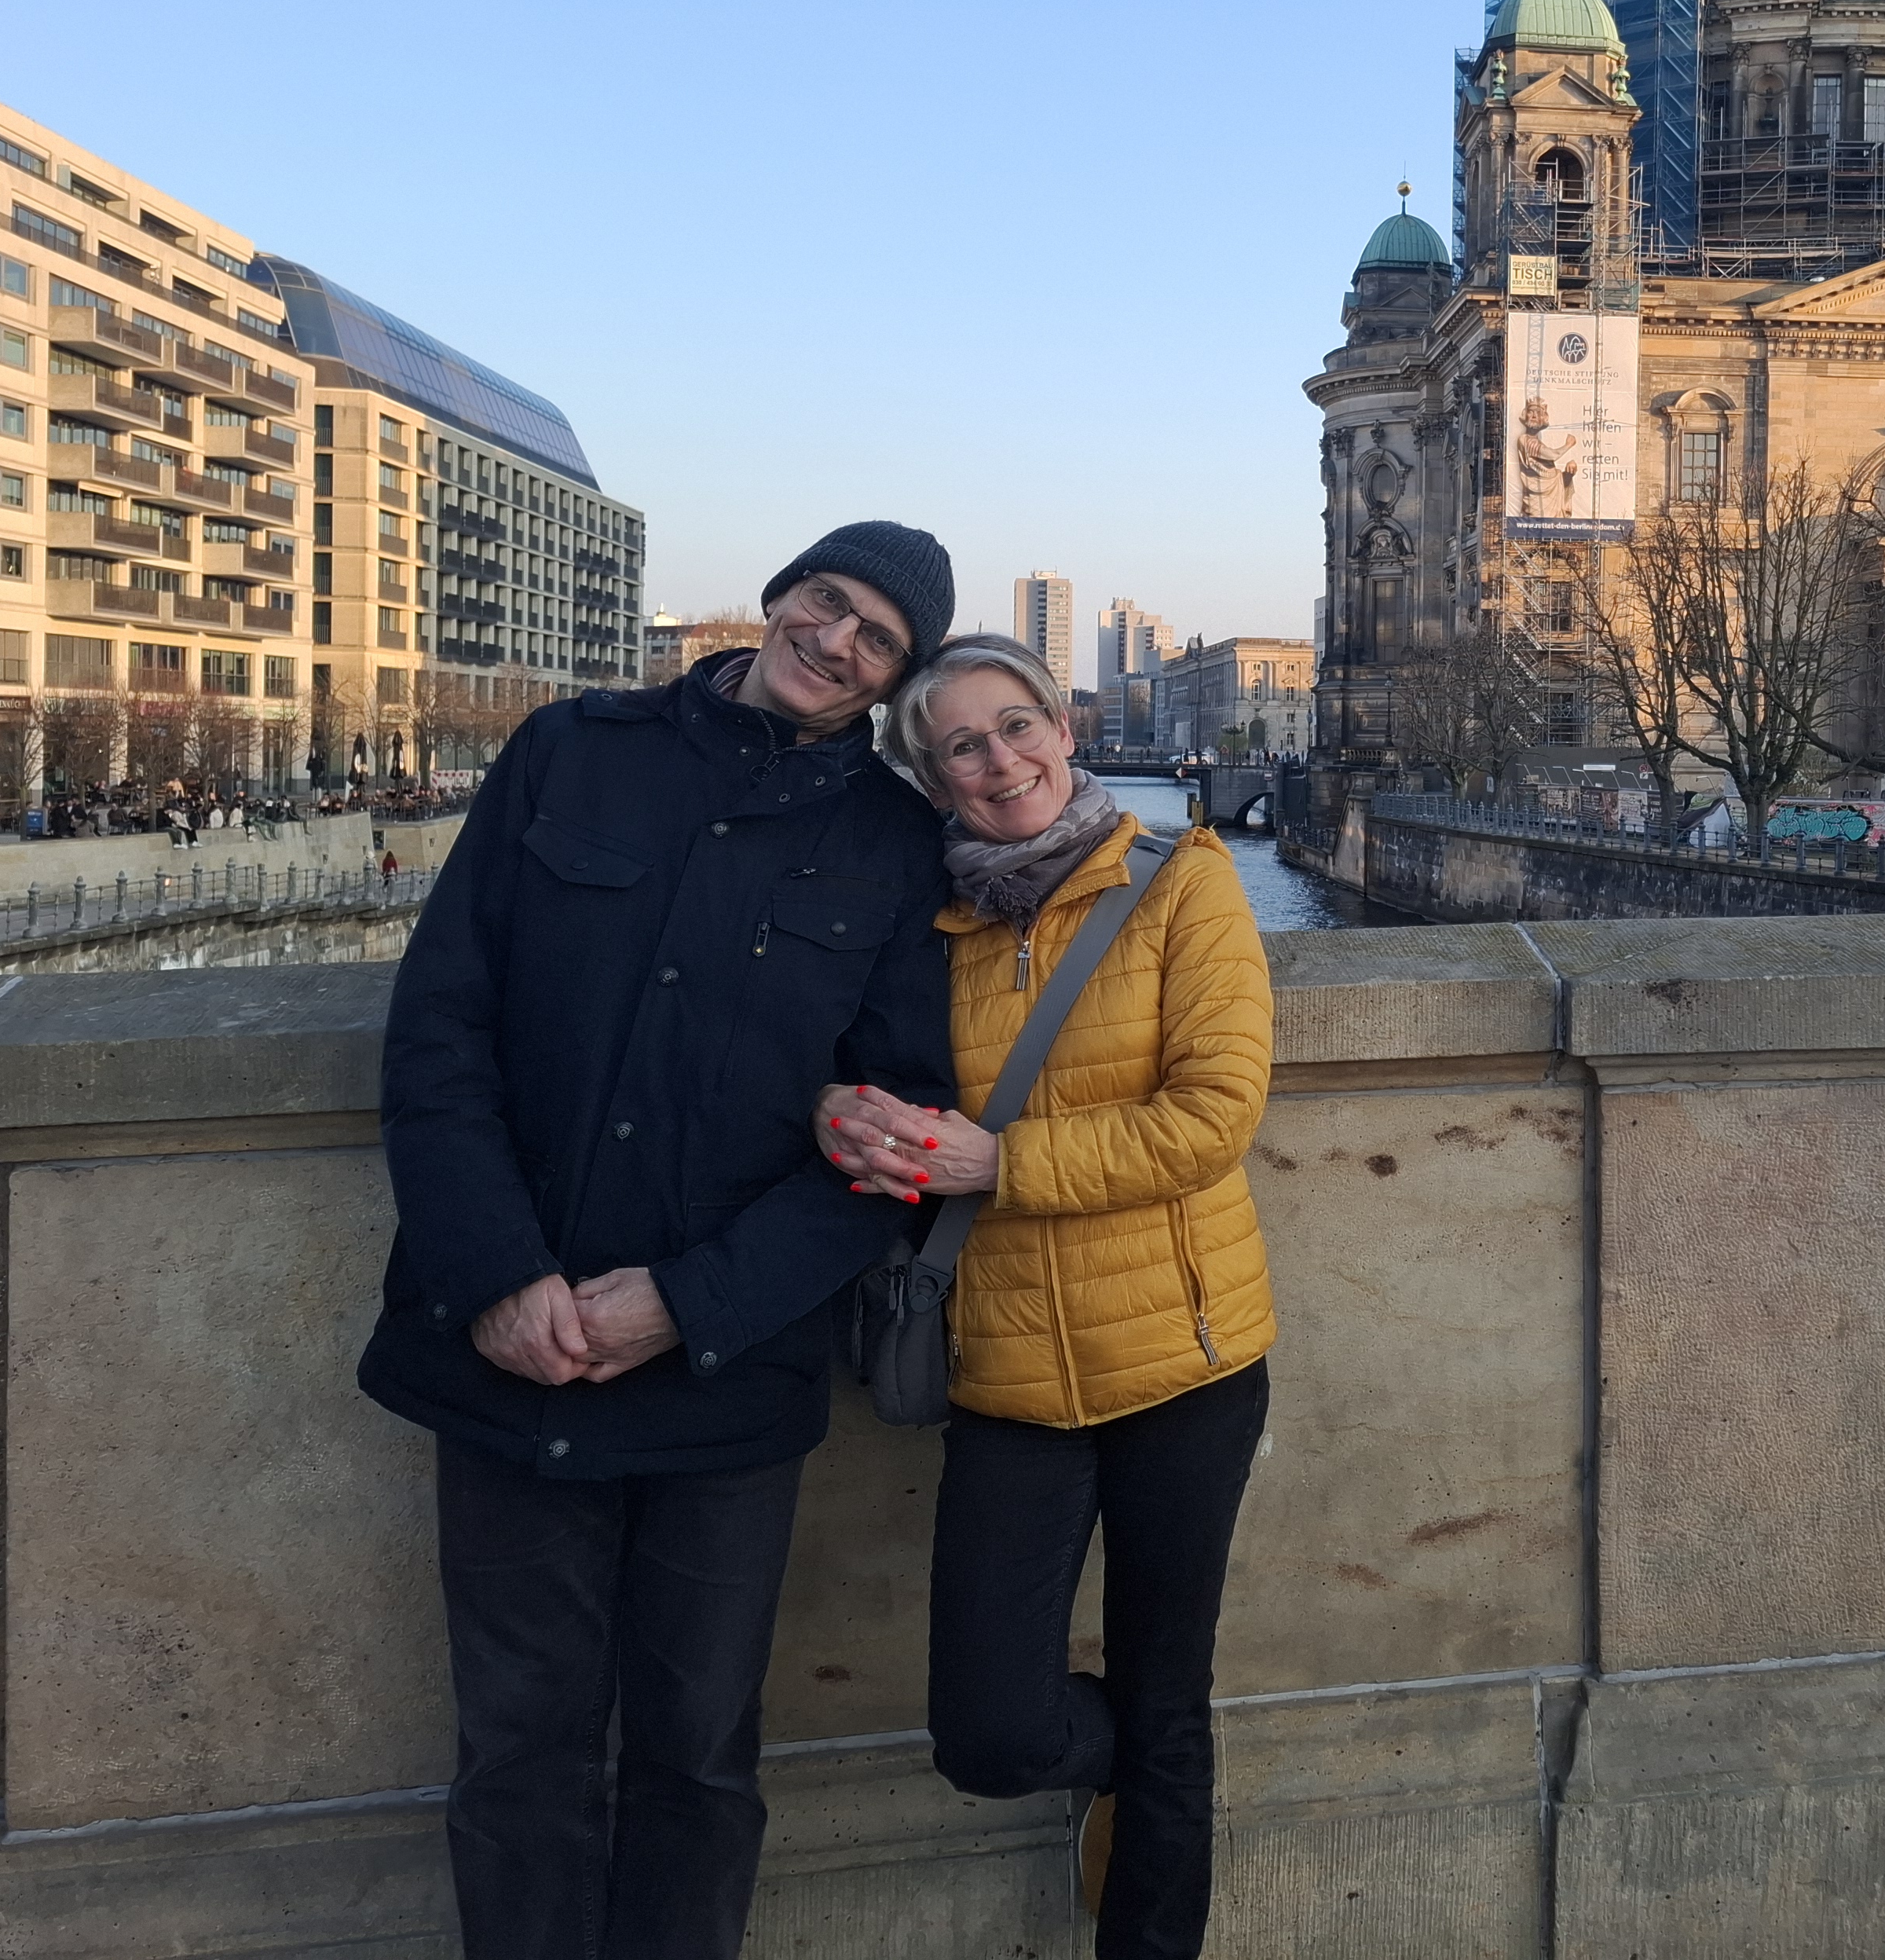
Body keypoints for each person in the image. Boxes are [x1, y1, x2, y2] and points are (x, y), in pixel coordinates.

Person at [361, 522, 961, 1960]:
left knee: (699, 1759)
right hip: (507, 1351)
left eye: (878, 640)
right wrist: (502, 1275)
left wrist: (683, 1307)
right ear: (778, 595)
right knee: (517, 1752)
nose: (837, 642)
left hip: (721, 1379)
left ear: (891, 684)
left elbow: (897, 1141)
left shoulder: (890, 841)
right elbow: (443, 1031)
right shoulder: (571, 750)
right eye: (829, 602)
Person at [818, 632, 1275, 1960]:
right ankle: (1122, 1762)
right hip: (1012, 1364)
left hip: (1186, 1358)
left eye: (1016, 726)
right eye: (961, 744)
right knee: (991, 1730)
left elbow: (1211, 1116)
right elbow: (858, 1074)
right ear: (932, 775)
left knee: (1169, 1695)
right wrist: (842, 1110)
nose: (999, 760)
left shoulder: (1184, 883)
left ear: (1066, 727)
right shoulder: (926, 929)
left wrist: (997, 1160)